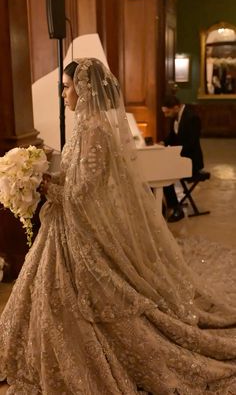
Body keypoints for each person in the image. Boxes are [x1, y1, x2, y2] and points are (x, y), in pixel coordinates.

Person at [0, 58, 236, 394]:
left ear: (83, 88)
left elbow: (83, 192)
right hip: (66, 225)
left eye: (66, 87)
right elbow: (72, 178)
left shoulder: (95, 131)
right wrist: (43, 176)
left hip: (80, 228)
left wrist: (42, 186)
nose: (64, 94)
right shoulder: (84, 126)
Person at [161, 95, 204, 222]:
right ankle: (165, 206)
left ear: (176, 107)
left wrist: (172, 153)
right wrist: (162, 143)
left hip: (192, 161)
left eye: (167, 112)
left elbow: (190, 144)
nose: (166, 115)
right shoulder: (176, 116)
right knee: (158, 171)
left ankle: (176, 209)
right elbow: (173, 136)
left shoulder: (192, 118)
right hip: (182, 157)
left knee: (163, 174)